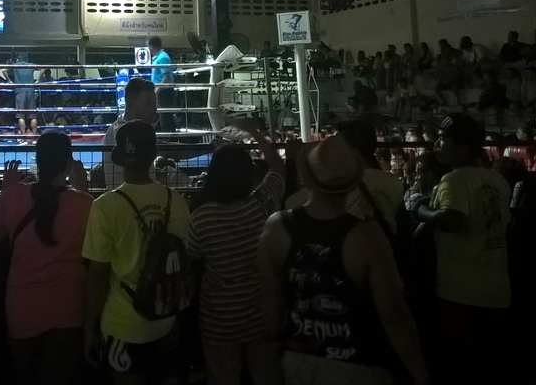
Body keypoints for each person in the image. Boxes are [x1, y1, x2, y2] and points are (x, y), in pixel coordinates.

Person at [258, 136, 429, 385]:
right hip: (359, 365)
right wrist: (420, 373)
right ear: (352, 183)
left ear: (306, 178)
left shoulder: (277, 228)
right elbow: (395, 317)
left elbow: (270, 316)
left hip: (298, 361)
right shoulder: (368, 237)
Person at [82, 121, 190, 385]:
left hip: (124, 324)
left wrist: (89, 327)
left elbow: (97, 275)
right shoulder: (176, 201)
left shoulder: (105, 206)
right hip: (167, 317)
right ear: (153, 155)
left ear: (120, 160)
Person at [0, 133, 93, 385]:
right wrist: (83, 188)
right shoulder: (83, 203)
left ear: (37, 160)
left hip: (22, 311)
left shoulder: (14, 195)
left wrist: (6, 190)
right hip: (68, 311)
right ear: (69, 163)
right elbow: (95, 244)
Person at [187, 117, 285, 385]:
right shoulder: (260, 205)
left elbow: (192, 255)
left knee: (222, 377)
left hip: (219, 317)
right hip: (259, 310)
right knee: (267, 375)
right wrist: (256, 134)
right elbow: (278, 168)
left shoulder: (202, 217)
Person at [417, 113, 512, 385]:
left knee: (458, 369)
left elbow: (453, 220)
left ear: (461, 148)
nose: (436, 144)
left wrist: (422, 210)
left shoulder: (455, 180)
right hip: (496, 290)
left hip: (460, 293)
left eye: (443, 139)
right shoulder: (497, 180)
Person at [147, 36, 177, 132]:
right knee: (162, 118)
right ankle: (166, 138)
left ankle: (169, 139)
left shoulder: (162, 57)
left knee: (165, 119)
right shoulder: (159, 57)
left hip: (165, 92)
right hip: (162, 91)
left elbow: (166, 78)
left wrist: (156, 91)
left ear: (151, 46)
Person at [4, 52, 38, 136]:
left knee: (21, 116)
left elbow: (4, 71)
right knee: (33, 116)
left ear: (18, 59)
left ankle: (23, 136)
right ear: (26, 58)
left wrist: (9, 81)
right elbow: (43, 69)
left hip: (19, 92)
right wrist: (38, 81)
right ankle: (34, 136)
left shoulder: (15, 65)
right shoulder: (31, 65)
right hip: (30, 91)